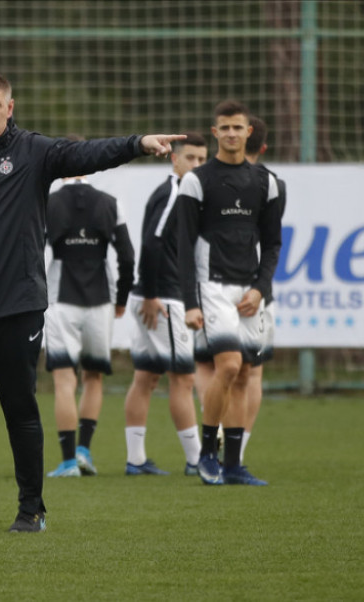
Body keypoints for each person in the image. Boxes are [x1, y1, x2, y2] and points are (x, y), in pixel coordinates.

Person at [0, 71, 183, 532]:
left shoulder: (33, 151)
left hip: (19, 305)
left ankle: (31, 510)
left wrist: (137, 143)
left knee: (20, 410)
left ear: (10, 108)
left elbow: (87, 154)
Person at [176, 100, 282, 487]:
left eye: (238, 127)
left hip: (249, 291)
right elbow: (183, 246)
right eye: (225, 128)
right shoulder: (196, 181)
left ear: (248, 132)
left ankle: (234, 465)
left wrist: (260, 289)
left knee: (246, 373)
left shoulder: (267, 183)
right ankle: (208, 454)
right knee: (230, 366)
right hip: (213, 285)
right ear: (215, 132)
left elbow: (272, 244)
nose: (232, 134)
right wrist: (190, 303)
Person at [43, 138, 135, 478]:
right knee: (93, 377)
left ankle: (68, 462)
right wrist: (121, 298)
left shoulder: (48, 202)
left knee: (64, 380)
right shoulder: (109, 202)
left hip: (60, 299)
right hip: (100, 301)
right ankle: (84, 452)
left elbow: (32, 251)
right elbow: (127, 256)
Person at [122, 132, 208, 477]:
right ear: (174, 159)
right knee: (183, 379)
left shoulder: (186, 193)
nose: (197, 165)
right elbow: (152, 243)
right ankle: (197, 459)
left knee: (146, 377)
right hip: (163, 298)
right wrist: (152, 293)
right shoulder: (174, 192)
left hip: (154, 295)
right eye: (191, 158)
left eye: (202, 159)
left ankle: (136, 460)